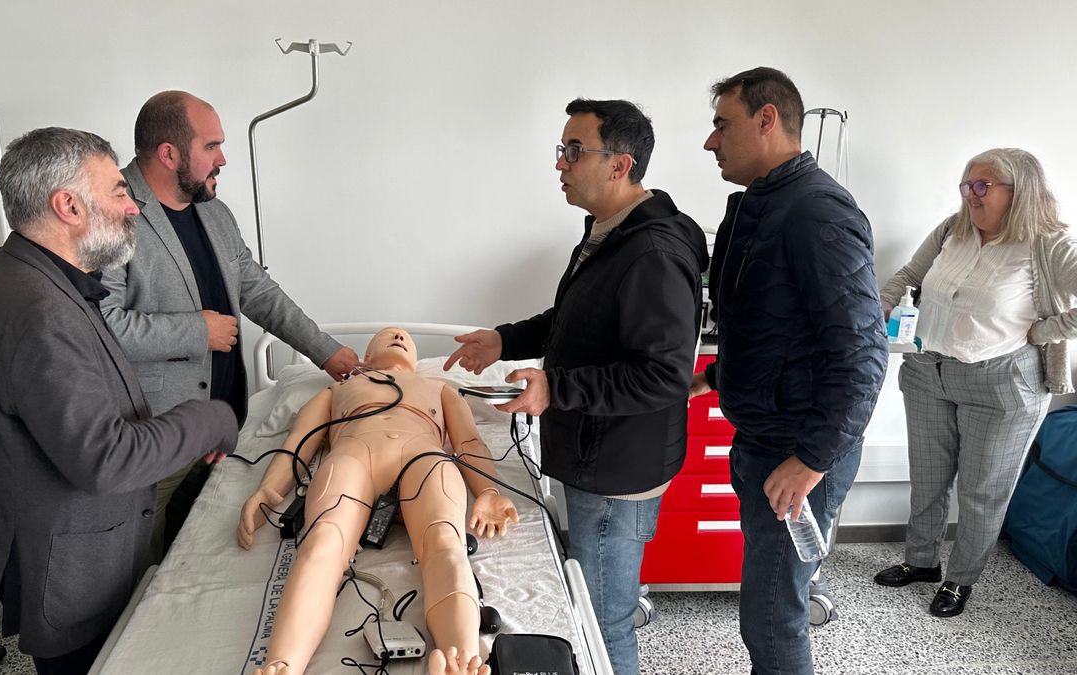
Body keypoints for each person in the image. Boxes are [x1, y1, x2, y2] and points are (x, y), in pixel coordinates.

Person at [0, 127, 239, 674]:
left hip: (67, 549)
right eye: (118, 191)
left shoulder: (11, 272)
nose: (133, 207)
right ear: (68, 206)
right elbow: (107, 459)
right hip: (72, 570)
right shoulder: (39, 310)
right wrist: (211, 418)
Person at [443, 99, 707, 675]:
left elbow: (663, 375)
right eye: (562, 149)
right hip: (600, 452)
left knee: (605, 623)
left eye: (574, 150)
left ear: (619, 165)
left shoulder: (653, 253)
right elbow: (575, 320)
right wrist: (504, 340)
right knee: (601, 607)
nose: (560, 163)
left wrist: (555, 388)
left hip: (616, 471)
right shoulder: (610, 232)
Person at [101, 91, 360, 562]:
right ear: (169, 154)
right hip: (156, 433)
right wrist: (198, 332)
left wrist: (326, 351)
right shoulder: (113, 213)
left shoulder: (213, 212)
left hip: (219, 426)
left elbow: (257, 291)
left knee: (189, 555)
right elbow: (101, 326)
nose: (223, 158)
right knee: (137, 566)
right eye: (212, 146)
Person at [690, 67, 887, 674]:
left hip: (798, 450)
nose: (711, 141)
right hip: (765, 439)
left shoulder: (816, 212)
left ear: (767, 119)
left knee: (773, 616)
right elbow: (769, 326)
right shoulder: (759, 205)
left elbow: (862, 353)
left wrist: (810, 460)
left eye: (722, 124)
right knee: (767, 605)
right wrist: (715, 378)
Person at [236, 327, 518, 675]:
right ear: (365, 357)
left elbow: (470, 442)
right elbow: (298, 443)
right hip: (353, 456)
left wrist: (489, 491)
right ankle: (283, 665)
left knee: (446, 544)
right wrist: (267, 490)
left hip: (422, 456)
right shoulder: (337, 389)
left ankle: (460, 661)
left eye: (405, 338)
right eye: (388, 335)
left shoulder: (440, 388)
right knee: (322, 542)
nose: (399, 336)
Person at [873, 147, 1077, 617]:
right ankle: (921, 562)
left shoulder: (1047, 243)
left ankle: (959, 580)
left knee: (982, 493)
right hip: (928, 372)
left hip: (1002, 384)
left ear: (1019, 191)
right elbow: (909, 275)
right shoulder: (953, 229)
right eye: (966, 184)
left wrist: (1045, 331)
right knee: (927, 480)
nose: (970, 194)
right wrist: (880, 303)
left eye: (982, 185)